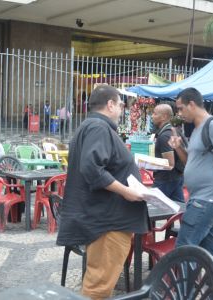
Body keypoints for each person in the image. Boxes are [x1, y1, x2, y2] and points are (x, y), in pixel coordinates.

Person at [56, 85, 149, 300]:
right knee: (97, 289)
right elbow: (92, 168)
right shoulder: (99, 127)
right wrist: (126, 191)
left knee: (96, 284)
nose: (121, 110)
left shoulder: (92, 126)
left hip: (105, 219)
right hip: (108, 222)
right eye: (120, 105)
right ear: (110, 105)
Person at [168, 87, 213, 300]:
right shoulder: (197, 129)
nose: (179, 114)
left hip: (207, 201)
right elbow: (192, 163)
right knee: (210, 254)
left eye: (180, 109)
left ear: (191, 104)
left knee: (184, 251)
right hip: (201, 199)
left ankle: (187, 294)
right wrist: (179, 147)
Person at [151, 104, 187, 203]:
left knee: (149, 208)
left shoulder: (165, 135)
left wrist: (147, 164)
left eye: (154, 113)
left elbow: (170, 164)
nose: (152, 116)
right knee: (179, 210)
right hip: (176, 177)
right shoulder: (172, 130)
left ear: (163, 117)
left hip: (165, 179)